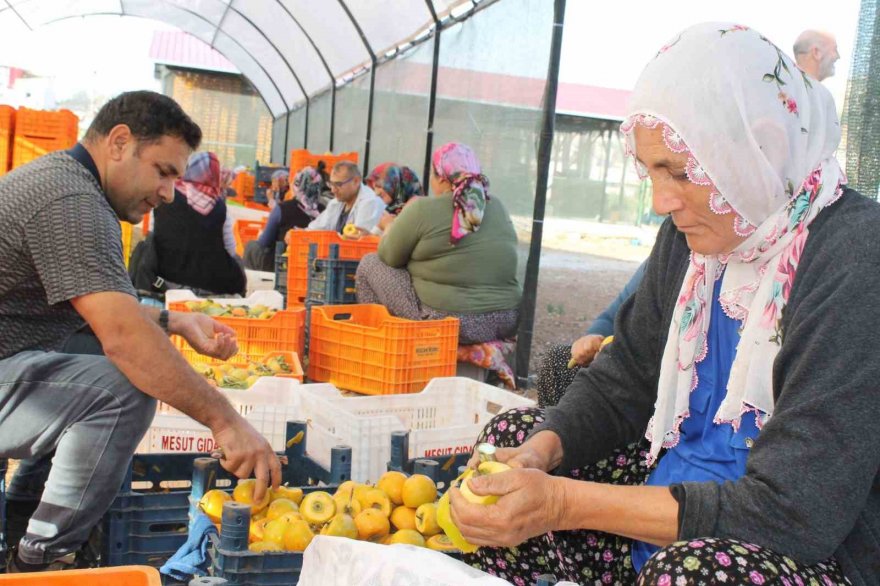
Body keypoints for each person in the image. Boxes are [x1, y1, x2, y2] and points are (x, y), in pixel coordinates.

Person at [448, 23, 879, 585]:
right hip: (675, 511)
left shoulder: (854, 256)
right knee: (511, 445)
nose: (659, 201)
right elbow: (625, 375)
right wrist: (542, 453)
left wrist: (560, 503)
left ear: (757, 149)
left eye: (679, 172)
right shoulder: (690, 241)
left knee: (688, 574)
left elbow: (795, 510)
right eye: (650, 170)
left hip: (805, 551)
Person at [0, 91, 281, 573]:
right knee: (121, 390)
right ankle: (40, 561)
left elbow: (104, 309)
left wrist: (176, 321)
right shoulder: (72, 201)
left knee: (96, 371)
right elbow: (124, 336)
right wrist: (226, 422)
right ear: (119, 142)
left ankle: (22, 522)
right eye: (163, 172)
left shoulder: (66, 184)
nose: (169, 193)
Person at [356, 143, 521, 344]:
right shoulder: (498, 206)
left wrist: (389, 226)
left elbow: (389, 256)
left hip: (451, 323)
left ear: (441, 178)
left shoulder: (422, 208)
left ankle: (384, 344)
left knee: (370, 263)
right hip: (507, 318)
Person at [130, 151, 246, 296]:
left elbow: (154, 236)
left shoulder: (166, 197)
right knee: (237, 261)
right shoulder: (219, 207)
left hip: (163, 282)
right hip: (209, 285)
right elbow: (230, 250)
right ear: (214, 175)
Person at [536, 260, 646, 408]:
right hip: (619, 361)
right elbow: (610, 317)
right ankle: (554, 421)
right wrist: (591, 338)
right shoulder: (657, 261)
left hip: (649, 377)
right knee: (557, 360)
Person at [243, 166, 325, 271]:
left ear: (296, 185)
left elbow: (264, 241)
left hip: (281, 266)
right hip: (314, 267)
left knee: (251, 246)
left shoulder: (282, 209)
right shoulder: (324, 211)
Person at [307, 160, 384, 234]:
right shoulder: (337, 202)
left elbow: (358, 239)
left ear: (356, 181)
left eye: (338, 184)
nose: (333, 190)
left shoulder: (370, 202)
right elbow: (314, 229)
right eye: (331, 184)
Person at [365, 162, 424, 235]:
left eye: (379, 186)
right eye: (374, 188)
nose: (377, 193)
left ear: (396, 182)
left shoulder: (416, 205)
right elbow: (374, 236)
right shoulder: (392, 208)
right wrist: (364, 235)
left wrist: (387, 225)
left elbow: (395, 241)